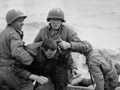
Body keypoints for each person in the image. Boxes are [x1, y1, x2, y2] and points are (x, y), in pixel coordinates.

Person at [0, 9, 48, 90]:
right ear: (12, 22)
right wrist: (32, 62)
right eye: (19, 21)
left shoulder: (4, 33)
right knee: (27, 87)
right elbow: (18, 52)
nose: (22, 23)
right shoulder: (13, 34)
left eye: (22, 21)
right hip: (11, 70)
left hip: (2, 70)